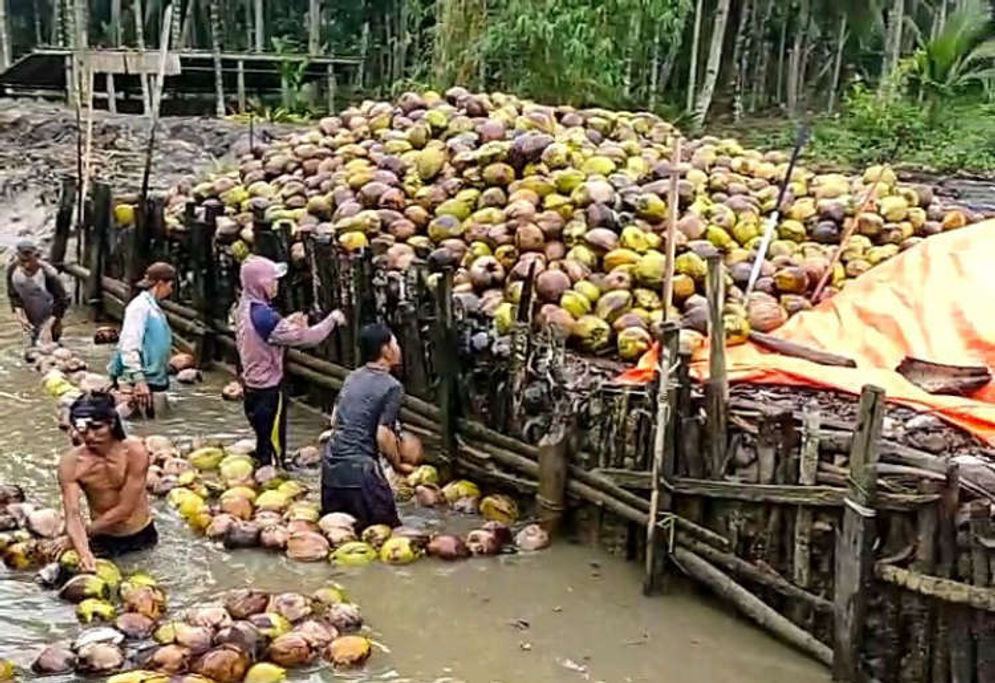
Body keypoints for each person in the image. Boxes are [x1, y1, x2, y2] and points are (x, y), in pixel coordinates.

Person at [235, 256, 344, 468]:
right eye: (273, 280)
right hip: (269, 389)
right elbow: (307, 338)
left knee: (263, 437)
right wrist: (332, 320)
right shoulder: (265, 317)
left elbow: (270, 333)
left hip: (252, 385)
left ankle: (263, 463)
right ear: (262, 283)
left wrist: (287, 324)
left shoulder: (246, 306)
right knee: (274, 444)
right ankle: (273, 474)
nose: (277, 284)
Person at [321, 323, 413, 530]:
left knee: (339, 534)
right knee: (389, 533)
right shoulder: (392, 386)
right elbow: (382, 434)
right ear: (386, 350)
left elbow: (335, 420)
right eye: (395, 343)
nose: (398, 348)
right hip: (360, 473)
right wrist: (398, 465)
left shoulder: (352, 377)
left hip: (331, 470)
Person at [57, 392, 156, 570]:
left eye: (97, 428)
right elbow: (73, 514)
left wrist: (76, 537)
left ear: (111, 423)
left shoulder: (135, 451)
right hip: (102, 537)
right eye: (84, 431)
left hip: (141, 533)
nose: (91, 436)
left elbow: (125, 509)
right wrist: (84, 552)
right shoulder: (71, 464)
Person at [107, 262, 175, 418]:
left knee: (154, 424)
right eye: (170, 285)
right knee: (145, 427)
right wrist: (139, 380)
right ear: (160, 283)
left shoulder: (152, 308)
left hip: (154, 379)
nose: (170, 290)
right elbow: (129, 344)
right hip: (142, 380)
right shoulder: (139, 307)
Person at [6, 239, 69, 345]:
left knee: (52, 344)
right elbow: (14, 296)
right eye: (22, 261)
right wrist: (21, 317)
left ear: (37, 257)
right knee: (33, 346)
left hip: (51, 316)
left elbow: (62, 301)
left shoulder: (49, 274)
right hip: (30, 316)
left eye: (30, 260)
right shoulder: (13, 270)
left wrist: (49, 325)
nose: (26, 265)